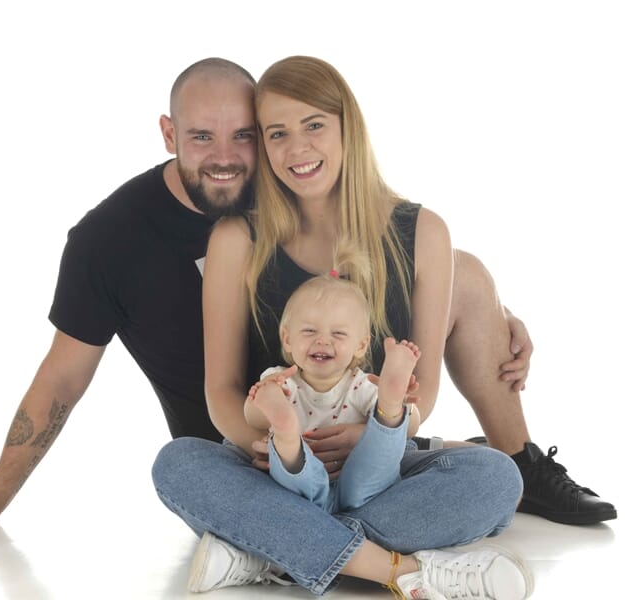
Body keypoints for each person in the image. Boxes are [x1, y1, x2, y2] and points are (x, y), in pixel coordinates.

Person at [159, 55, 533, 599]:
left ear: (347, 128)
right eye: (277, 133)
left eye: (314, 125)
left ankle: (266, 550)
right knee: (179, 465)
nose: (297, 149)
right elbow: (220, 392)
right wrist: (272, 444)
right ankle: (398, 570)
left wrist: (371, 438)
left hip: (379, 466)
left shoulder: (423, 232)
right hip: (275, 470)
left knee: (497, 479)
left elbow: (419, 393)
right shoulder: (237, 239)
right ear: (262, 146)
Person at [245, 270, 422, 513]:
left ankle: (391, 408)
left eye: (338, 333)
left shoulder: (361, 385)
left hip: (355, 477)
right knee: (291, 468)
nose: (323, 341)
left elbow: (411, 429)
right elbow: (251, 418)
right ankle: (287, 434)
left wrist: (402, 405)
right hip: (304, 486)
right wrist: (264, 400)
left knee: (382, 447)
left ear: (361, 345)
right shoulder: (280, 382)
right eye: (309, 331)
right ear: (287, 339)